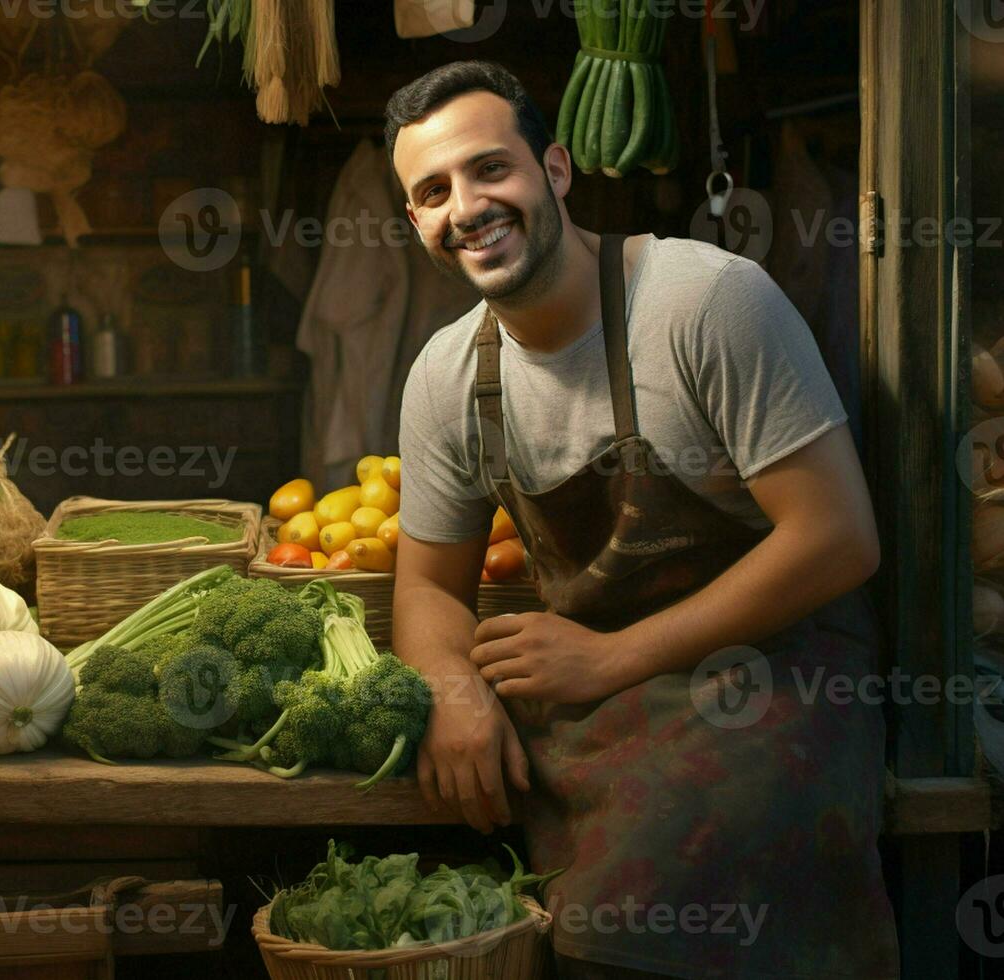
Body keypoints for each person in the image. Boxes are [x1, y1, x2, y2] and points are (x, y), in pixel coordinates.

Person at [385, 61, 899, 979]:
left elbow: (838, 537)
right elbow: (426, 584)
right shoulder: (445, 375)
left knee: (662, 889)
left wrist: (612, 655)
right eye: (432, 192)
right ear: (417, 222)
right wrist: (448, 685)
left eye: (488, 169)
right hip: (592, 699)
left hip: (774, 671)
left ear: (555, 169)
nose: (465, 207)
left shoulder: (705, 303)